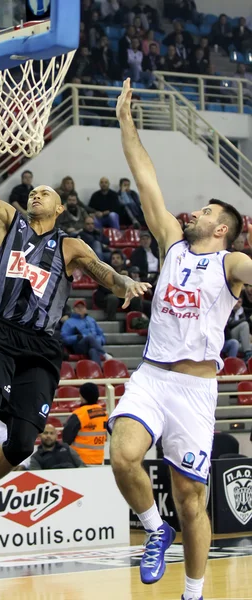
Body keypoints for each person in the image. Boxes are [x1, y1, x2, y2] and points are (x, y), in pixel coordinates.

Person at [0, 91, 149, 542]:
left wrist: (126, 286)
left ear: (60, 207)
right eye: (34, 191)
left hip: (40, 347)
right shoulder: (10, 222)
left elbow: (106, 274)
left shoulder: (71, 246)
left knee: (22, 443)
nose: (37, 193)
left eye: (46, 192)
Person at [110, 78, 252, 600]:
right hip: (151, 375)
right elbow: (146, 179)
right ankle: (153, 529)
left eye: (209, 213)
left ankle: (193, 594)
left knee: (192, 499)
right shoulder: (171, 244)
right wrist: (127, 124)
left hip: (195, 389)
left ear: (223, 229)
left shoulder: (230, 261)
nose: (197, 213)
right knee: (123, 456)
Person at [62, 382, 108, 465]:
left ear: (82, 396)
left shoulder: (80, 414)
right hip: (98, 460)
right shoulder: (103, 413)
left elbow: (66, 437)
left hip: (79, 460)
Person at [60, 299, 111, 366]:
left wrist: (99, 341)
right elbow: (64, 338)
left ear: (85, 309)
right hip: (79, 346)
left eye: (82, 307)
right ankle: (104, 354)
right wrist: (77, 337)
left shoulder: (91, 320)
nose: (80, 309)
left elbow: (100, 334)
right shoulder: (69, 322)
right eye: (78, 307)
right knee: (89, 337)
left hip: (93, 345)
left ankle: (97, 372)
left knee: (93, 351)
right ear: (74, 309)